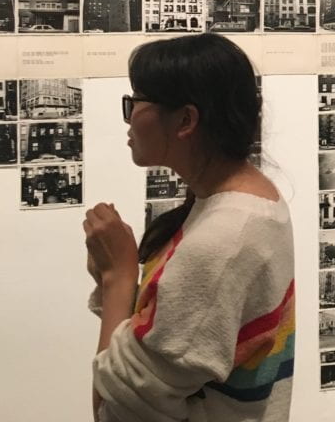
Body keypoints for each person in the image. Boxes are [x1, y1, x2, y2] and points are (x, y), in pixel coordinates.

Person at [83, 33, 295, 422]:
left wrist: (117, 278)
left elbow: (113, 411)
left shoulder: (222, 241)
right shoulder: (246, 202)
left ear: (185, 120)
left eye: (137, 102)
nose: (129, 118)